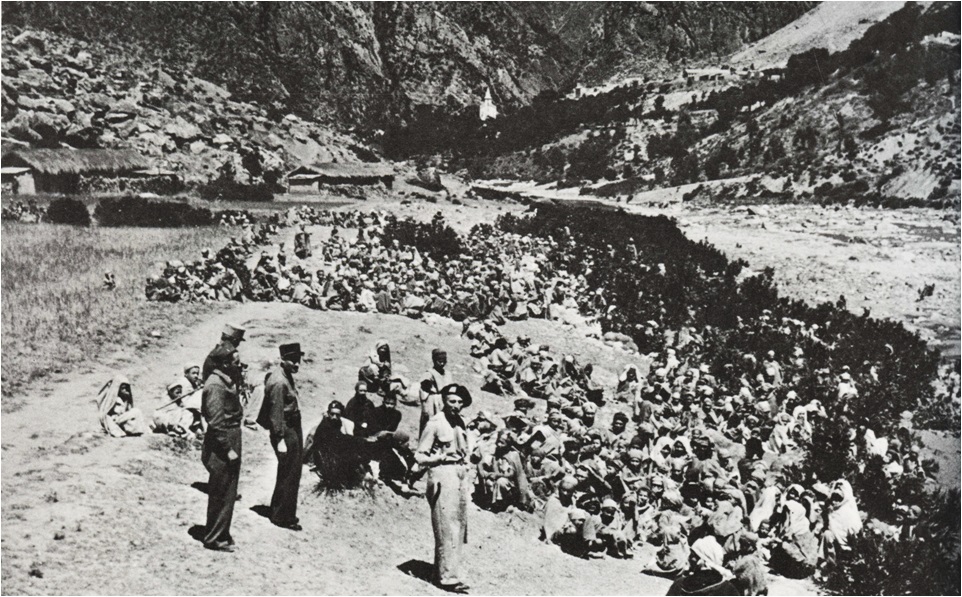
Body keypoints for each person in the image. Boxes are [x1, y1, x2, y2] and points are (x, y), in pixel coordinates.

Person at [415, 383, 473, 593]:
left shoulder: (460, 422)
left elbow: (464, 450)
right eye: (452, 401)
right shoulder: (435, 423)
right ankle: (446, 578)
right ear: (444, 402)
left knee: (459, 527)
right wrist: (438, 458)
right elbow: (419, 455)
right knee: (446, 527)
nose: (456, 405)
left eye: (459, 402)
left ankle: (445, 572)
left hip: (459, 475)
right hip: (442, 474)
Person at [258, 343, 305, 531]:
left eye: (298, 360)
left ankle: (283, 511)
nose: (297, 364)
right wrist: (280, 440)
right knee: (289, 472)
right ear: (283, 360)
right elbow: (276, 414)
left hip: (293, 426)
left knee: (293, 471)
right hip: (286, 430)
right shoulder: (279, 382)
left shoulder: (286, 375)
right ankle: (281, 516)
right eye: (293, 360)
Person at [201, 345, 243, 552]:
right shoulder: (216, 385)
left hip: (231, 435)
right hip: (222, 441)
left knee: (228, 490)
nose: (240, 365)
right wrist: (228, 449)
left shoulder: (225, 380)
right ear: (225, 364)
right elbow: (216, 422)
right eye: (236, 362)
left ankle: (222, 532)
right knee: (221, 490)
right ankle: (214, 538)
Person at [665, 536, 739, 596]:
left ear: (702, 561)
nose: (688, 557)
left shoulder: (680, 585)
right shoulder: (728, 589)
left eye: (692, 555)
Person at [419, 348, 452, 434]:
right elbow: (423, 391)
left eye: (444, 361)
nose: (442, 363)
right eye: (439, 361)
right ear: (434, 360)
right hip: (433, 402)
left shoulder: (448, 374)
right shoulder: (429, 373)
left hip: (445, 401)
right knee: (430, 424)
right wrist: (425, 408)